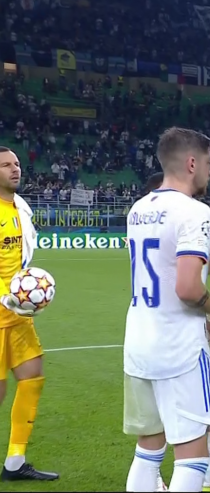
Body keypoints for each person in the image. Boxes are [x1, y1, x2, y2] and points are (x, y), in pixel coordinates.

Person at [123, 127, 210, 492]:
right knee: (191, 456)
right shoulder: (194, 211)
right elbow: (186, 288)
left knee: (148, 449)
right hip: (179, 347)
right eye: (209, 163)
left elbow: (168, 267)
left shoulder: (139, 208)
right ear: (191, 163)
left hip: (139, 341)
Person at [141, 172, 210, 493]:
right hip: (178, 335)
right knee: (179, 415)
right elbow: (187, 285)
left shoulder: (148, 223)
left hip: (151, 334)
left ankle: (206, 474)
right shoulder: (184, 218)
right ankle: (172, 476)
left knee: (185, 409)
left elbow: (193, 270)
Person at [0, 147, 58, 482]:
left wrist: (23, 294)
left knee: (32, 377)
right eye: (6, 165)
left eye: (17, 164)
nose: (15, 169)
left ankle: (15, 462)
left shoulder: (21, 207)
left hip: (18, 314)